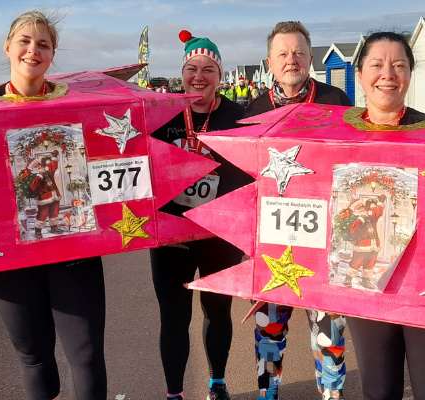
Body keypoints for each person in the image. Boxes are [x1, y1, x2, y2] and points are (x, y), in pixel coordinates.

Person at [0, 10, 107, 400]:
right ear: (7, 47)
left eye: (43, 44)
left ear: (52, 54)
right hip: (9, 254)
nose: (32, 50)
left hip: (72, 244)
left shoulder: (76, 107)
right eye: (24, 41)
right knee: (33, 357)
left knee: (86, 355)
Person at [347, 31, 425, 400]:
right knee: (378, 392)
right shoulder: (337, 137)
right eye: (377, 65)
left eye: (399, 65)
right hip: (367, 281)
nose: (388, 74)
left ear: (410, 74)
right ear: (360, 75)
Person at [244, 21, 352, 400]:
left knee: (330, 331)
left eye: (299, 52)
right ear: (270, 63)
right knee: (269, 329)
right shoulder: (252, 112)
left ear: (309, 58)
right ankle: (268, 392)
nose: (291, 59)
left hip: (326, 242)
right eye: (283, 54)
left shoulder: (337, 101)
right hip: (272, 244)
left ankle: (332, 393)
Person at [149, 29, 252, 400]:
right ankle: (174, 393)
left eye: (209, 69)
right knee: (174, 317)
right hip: (172, 234)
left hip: (219, 235)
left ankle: (217, 383)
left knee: (217, 311)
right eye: (192, 68)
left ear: (220, 76)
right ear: (182, 73)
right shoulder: (162, 114)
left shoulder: (239, 116)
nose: (199, 76)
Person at [29, 150, 62, 237]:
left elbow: (53, 167)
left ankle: (54, 227)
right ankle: (38, 230)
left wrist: (54, 157)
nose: (39, 166)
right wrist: (39, 176)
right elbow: (33, 186)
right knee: (43, 213)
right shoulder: (35, 175)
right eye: (36, 165)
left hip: (54, 195)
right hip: (44, 197)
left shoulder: (48, 170)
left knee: (54, 211)